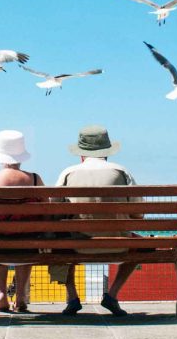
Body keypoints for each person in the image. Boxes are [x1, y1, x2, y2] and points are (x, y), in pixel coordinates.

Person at [54, 125, 140, 317]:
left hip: (77, 246)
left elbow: (55, 212)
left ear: (81, 154)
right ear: (107, 152)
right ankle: (112, 294)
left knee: (60, 243)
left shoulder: (69, 173)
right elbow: (138, 214)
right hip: (120, 245)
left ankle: (72, 297)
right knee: (140, 245)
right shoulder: (121, 172)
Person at [0, 129, 44, 313]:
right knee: (28, 238)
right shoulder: (35, 180)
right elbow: (47, 214)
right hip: (27, 243)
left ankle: (1, 294)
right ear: (21, 157)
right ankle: (20, 296)